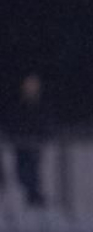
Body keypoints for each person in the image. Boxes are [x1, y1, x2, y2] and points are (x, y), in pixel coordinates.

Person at [12, 74, 52, 208]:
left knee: (32, 169)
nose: (30, 89)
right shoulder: (19, 105)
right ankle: (32, 195)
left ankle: (34, 196)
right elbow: (14, 122)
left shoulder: (41, 106)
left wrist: (42, 136)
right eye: (28, 86)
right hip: (21, 143)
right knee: (21, 171)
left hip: (35, 143)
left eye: (33, 87)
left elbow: (45, 123)